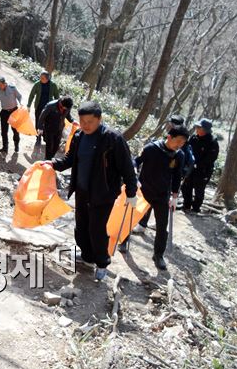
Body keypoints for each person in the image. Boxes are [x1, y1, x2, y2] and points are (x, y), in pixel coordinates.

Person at [47, 101, 137, 281]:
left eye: (90, 121)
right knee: (81, 227)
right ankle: (87, 256)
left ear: (99, 119)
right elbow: (69, 159)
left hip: (103, 194)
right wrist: (53, 164)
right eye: (82, 121)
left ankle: (102, 262)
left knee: (96, 230)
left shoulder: (113, 139)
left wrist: (131, 193)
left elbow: (127, 168)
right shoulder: (80, 135)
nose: (85, 125)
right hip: (82, 191)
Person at [121, 127, 189, 270]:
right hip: (144, 190)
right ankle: (124, 240)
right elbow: (136, 161)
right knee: (131, 217)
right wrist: (133, 173)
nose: (179, 145)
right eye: (178, 141)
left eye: (182, 143)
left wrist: (175, 196)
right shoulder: (151, 148)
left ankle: (158, 255)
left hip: (162, 194)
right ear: (169, 137)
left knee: (162, 226)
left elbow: (177, 176)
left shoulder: (179, 155)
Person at [133, 114, 194, 233]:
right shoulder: (156, 145)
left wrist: (175, 194)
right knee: (143, 205)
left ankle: (152, 225)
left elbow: (178, 172)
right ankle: (142, 224)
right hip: (147, 182)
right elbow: (137, 160)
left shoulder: (181, 146)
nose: (168, 125)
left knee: (159, 210)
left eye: (170, 123)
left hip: (166, 182)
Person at [181, 118, 219, 213]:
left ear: (205, 129)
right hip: (191, 169)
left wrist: (198, 164)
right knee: (186, 187)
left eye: (199, 127)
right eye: (196, 126)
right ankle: (186, 205)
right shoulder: (194, 138)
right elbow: (187, 150)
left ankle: (196, 208)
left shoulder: (212, 142)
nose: (196, 128)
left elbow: (211, 158)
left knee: (199, 190)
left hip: (203, 171)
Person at [27, 70, 60, 145]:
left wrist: (57, 107)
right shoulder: (37, 84)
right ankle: (38, 138)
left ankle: (45, 136)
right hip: (39, 106)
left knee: (47, 123)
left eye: (42, 78)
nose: (40, 79)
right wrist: (29, 105)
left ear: (47, 78)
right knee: (38, 122)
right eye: (40, 77)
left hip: (49, 108)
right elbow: (32, 95)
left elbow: (57, 97)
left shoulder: (53, 85)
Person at [0, 76, 22, 153]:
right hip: (4, 113)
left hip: (14, 112)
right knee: (4, 131)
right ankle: (5, 147)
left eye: (1, 85)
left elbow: (19, 96)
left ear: (4, 83)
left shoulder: (12, 88)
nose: (0, 87)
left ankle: (16, 145)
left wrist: (21, 103)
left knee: (15, 130)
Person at [38, 95, 74, 160]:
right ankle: (47, 160)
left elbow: (68, 115)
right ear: (61, 103)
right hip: (49, 129)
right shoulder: (50, 106)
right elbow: (42, 116)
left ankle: (49, 159)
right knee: (49, 147)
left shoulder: (67, 106)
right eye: (65, 108)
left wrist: (73, 121)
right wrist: (40, 128)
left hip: (59, 129)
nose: (66, 109)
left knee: (56, 147)